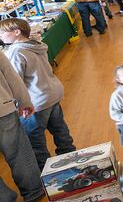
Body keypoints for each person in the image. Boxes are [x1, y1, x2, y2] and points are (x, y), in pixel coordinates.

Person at [0, 18, 75, 170]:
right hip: (52, 93)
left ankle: (46, 169)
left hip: (37, 100)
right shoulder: (37, 45)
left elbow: (16, 81)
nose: (0, 35)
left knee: (35, 139)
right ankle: (70, 157)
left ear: (16, 32)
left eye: (2, 32)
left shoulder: (15, 51)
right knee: (60, 130)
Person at [0, 52, 44, 202]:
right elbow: (10, 74)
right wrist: (24, 101)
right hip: (3, 109)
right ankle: (33, 192)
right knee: (18, 151)